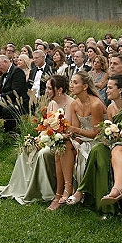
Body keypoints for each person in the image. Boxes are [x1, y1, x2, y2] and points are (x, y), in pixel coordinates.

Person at [70, 75, 122, 214]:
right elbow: (106, 132)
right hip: (114, 145)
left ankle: (82, 191)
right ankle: (94, 198)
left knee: (100, 150)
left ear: (120, 90)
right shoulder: (110, 108)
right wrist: (109, 137)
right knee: (98, 149)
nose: (107, 90)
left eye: (110, 87)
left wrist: (118, 137)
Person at [0, 75, 73, 205]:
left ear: (59, 90)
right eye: (47, 88)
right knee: (26, 149)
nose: (46, 91)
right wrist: (40, 138)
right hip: (50, 138)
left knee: (43, 154)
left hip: (63, 142)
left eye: (50, 88)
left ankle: (43, 191)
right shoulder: (52, 104)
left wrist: (51, 138)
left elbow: (69, 130)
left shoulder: (71, 104)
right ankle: (23, 186)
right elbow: (47, 126)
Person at [52, 72, 106, 209]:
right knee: (63, 146)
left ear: (85, 86)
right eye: (71, 82)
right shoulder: (75, 104)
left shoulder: (96, 104)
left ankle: (74, 190)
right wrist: (71, 137)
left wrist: (76, 132)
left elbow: (96, 133)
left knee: (69, 147)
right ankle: (66, 187)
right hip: (83, 138)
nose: (71, 85)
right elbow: (75, 128)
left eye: (75, 82)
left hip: (98, 141)